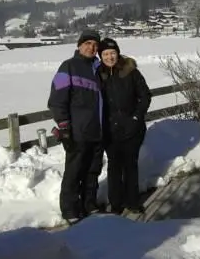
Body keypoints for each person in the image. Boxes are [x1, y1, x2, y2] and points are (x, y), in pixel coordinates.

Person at [47, 29, 104, 224]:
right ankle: (70, 210)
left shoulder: (98, 69)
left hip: (97, 131)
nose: (91, 47)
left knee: (92, 171)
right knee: (74, 172)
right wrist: (64, 127)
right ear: (79, 45)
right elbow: (56, 100)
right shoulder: (68, 67)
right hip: (77, 132)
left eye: (95, 45)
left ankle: (89, 204)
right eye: (87, 43)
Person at [97, 37, 152, 215]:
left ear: (118, 53)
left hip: (132, 129)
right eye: (105, 54)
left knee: (130, 165)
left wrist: (136, 117)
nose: (109, 57)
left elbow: (145, 96)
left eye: (112, 53)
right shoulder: (98, 74)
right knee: (114, 167)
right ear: (101, 56)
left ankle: (133, 202)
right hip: (109, 130)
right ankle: (116, 204)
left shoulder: (131, 72)